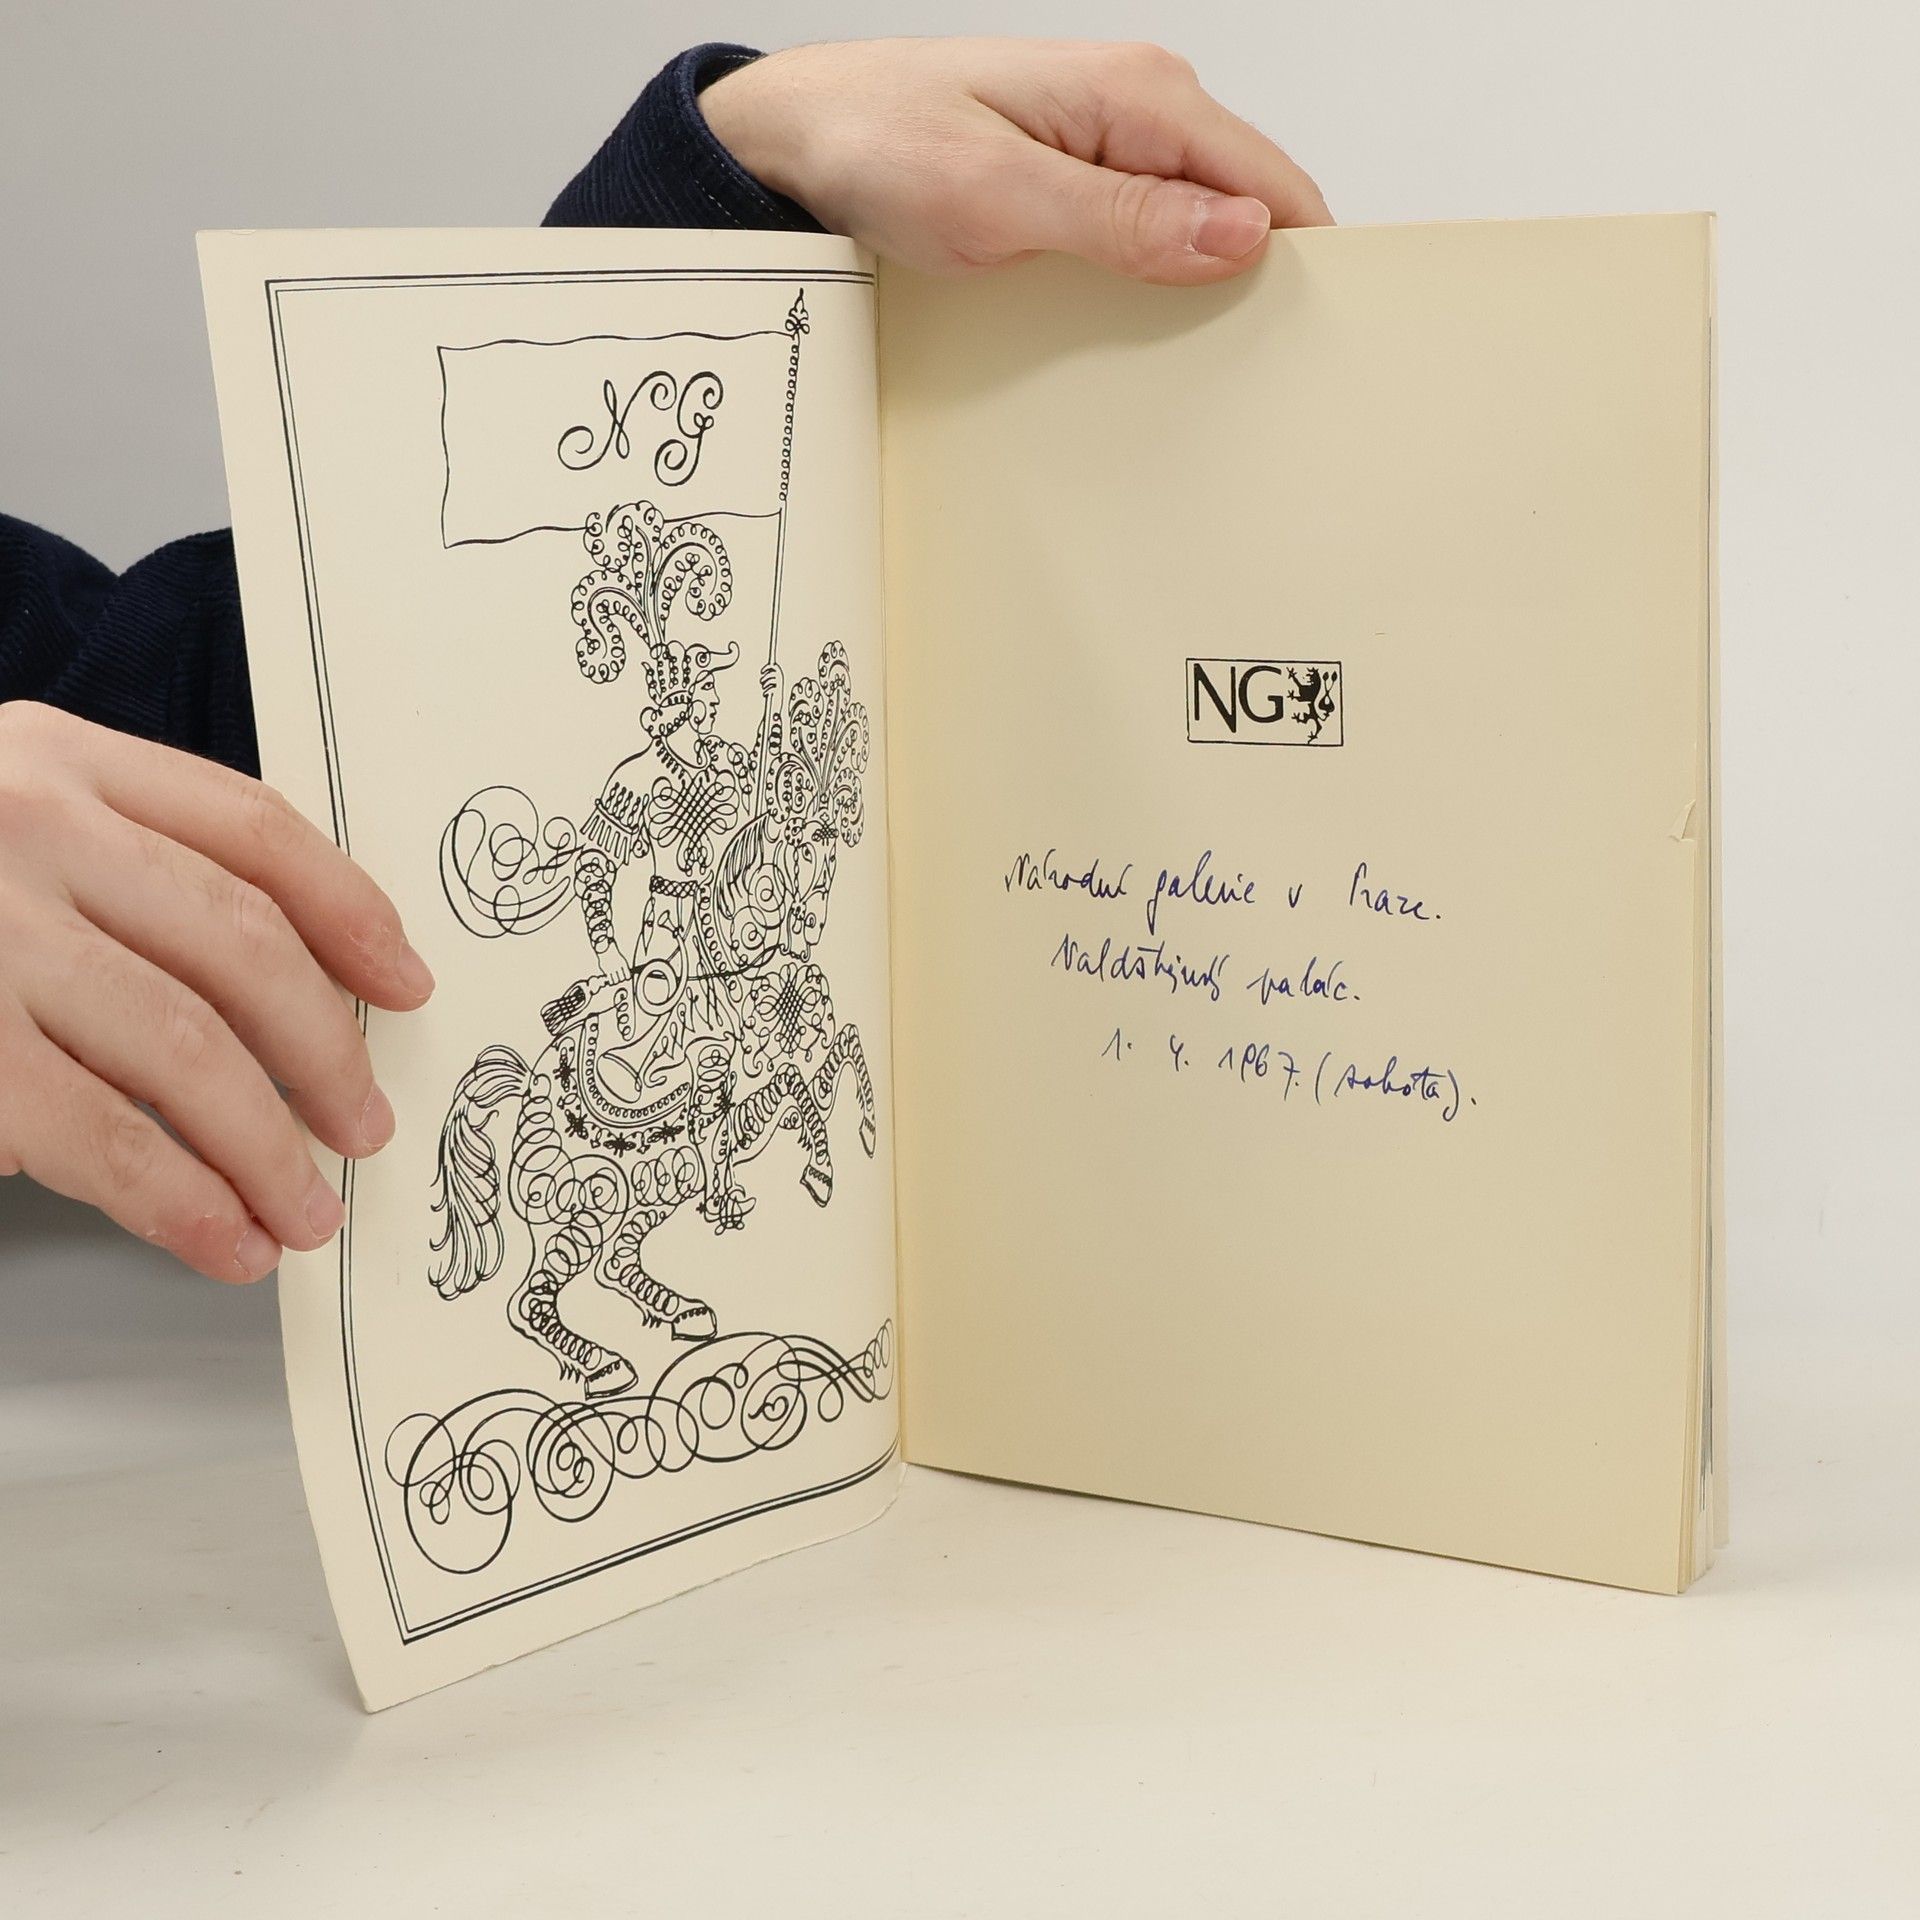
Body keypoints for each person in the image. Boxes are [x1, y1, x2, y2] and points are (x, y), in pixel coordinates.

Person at [0, 37, 1330, 1284]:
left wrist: (739, 178)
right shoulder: (651, 796)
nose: (695, 669)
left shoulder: (716, 759)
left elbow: (169, 718)